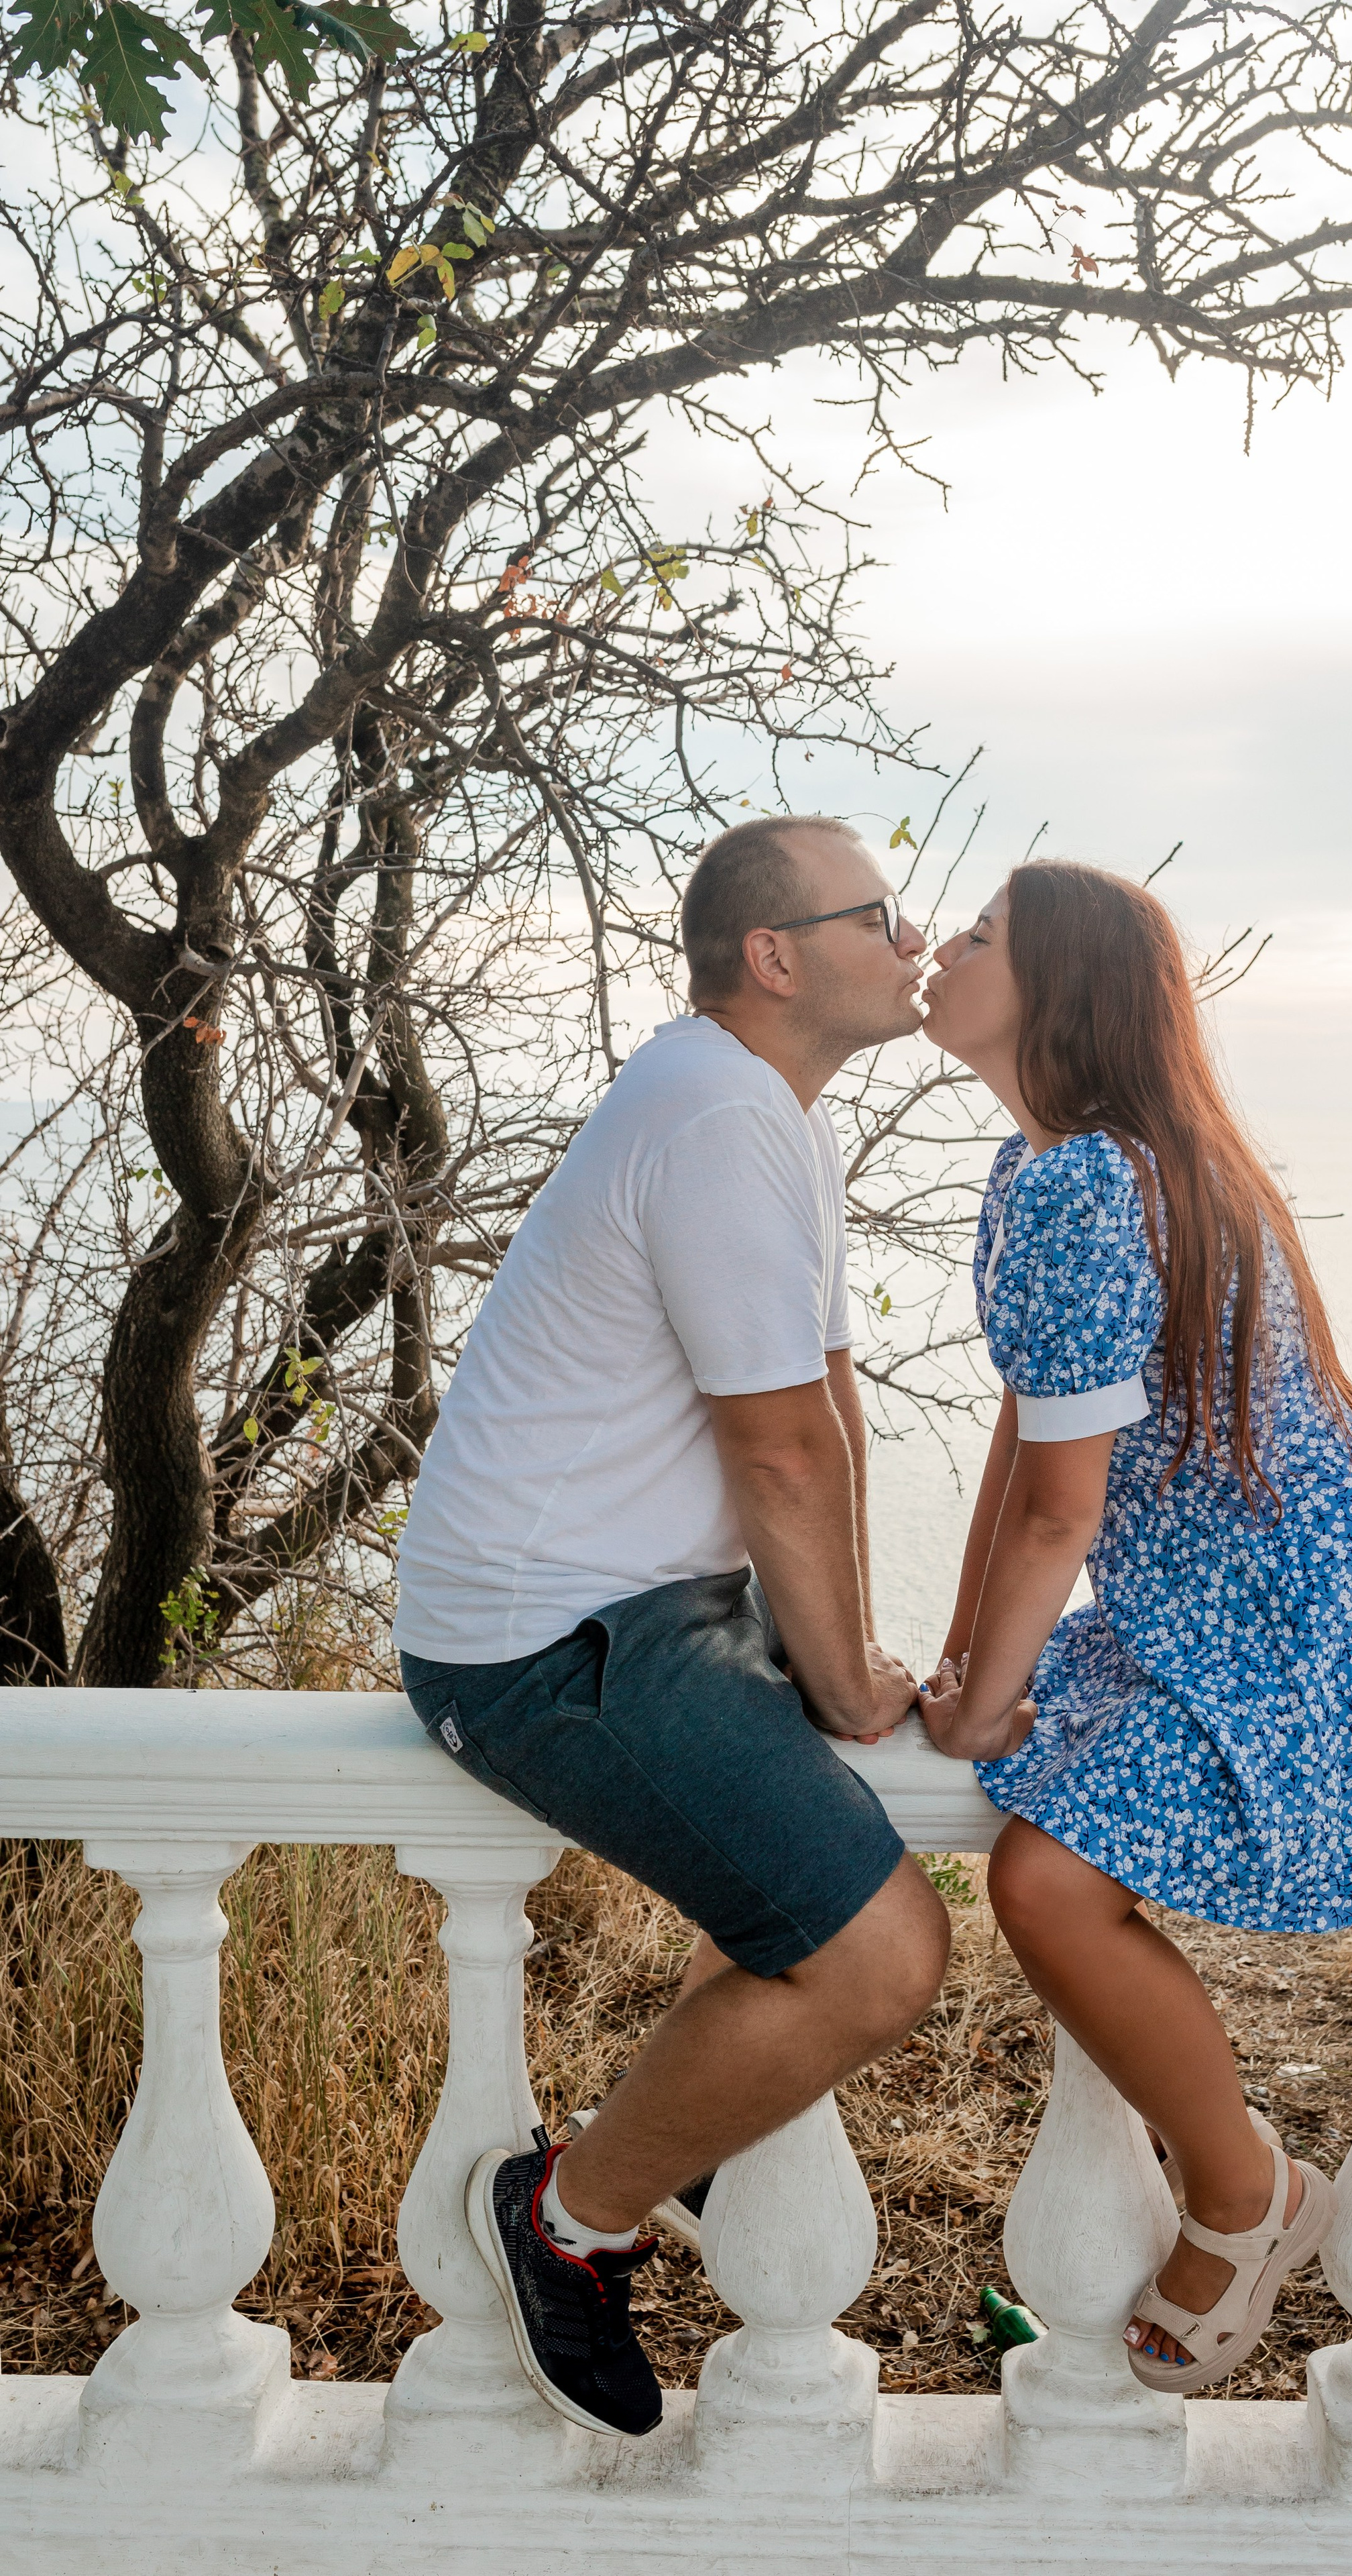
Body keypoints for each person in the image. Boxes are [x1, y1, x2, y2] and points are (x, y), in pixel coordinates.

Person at [915, 860, 1352, 2395]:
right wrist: (968, 1668)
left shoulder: (1091, 1184)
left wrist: (979, 1699)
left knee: (1048, 1883)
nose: (938, 950)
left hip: (1320, 1603)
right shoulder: (1057, 1171)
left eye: (978, 936)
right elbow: (1031, 1443)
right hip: (1272, 1582)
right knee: (1045, 1846)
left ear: (1054, 988)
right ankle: (1239, 2183)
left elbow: (1059, 1516)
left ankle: (1243, 2189)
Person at [392, 816, 950, 2438]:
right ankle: (568, 2216)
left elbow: (822, 1408)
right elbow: (772, 1448)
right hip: (544, 1645)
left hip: (645, 1605)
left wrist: (838, 1646)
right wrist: (842, 1673)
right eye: (877, 915)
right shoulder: (712, 1115)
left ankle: (683, 2123)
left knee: (789, 1900)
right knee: (875, 1955)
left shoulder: (753, 1111)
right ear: (774, 957)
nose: (911, 939)